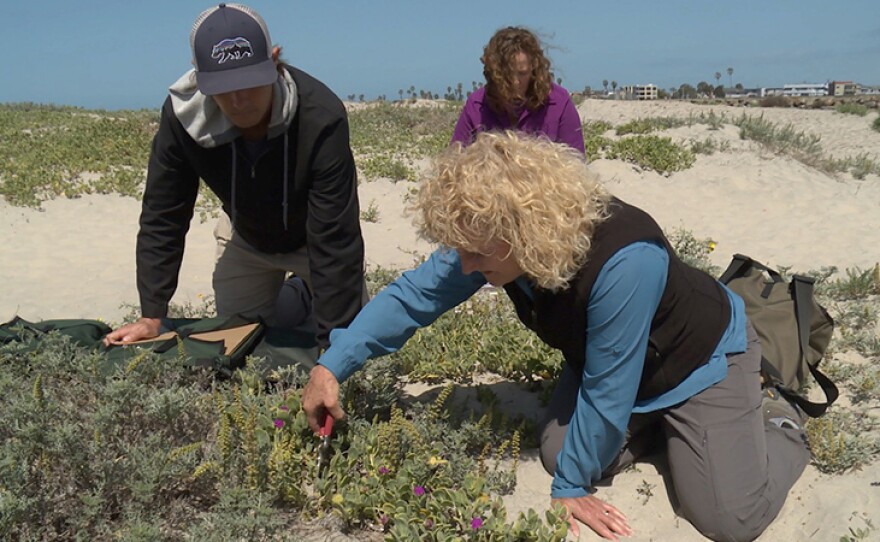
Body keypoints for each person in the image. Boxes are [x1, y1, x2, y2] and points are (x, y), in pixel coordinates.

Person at [302, 131, 810, 541]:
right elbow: (414, 296)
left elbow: (609, 391)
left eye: (476, 254)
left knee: (729, 519)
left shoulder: (625, 259)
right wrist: (332, 365)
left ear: (524, 230)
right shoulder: (485, 237)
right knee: (559, 449)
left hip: (702, 363)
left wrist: (570, 488)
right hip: (617, 368)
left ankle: (782, 426)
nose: (465, 265)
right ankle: (673, 434)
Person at [104, 3, 366, 350]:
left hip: (314, 238)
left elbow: (336, 238)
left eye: (249, 82)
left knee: (350, 341)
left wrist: (334, 354)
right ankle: (300, 295)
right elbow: (163, 214)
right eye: (224, 87)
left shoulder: (321, 115)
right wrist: (152, 314)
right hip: (245, 238)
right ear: (198, 77)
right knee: (242, 342)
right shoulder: (183, 119)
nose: (239, 100)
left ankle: (309, 291)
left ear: (274, 60)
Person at [450, 27, 585, 155]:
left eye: (522, 73)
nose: (515, 82)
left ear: (534, 69)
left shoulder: (559, 102)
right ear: (494, 73)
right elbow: (455, 161)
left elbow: (576, 166)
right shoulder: (476, 105)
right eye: (507, 75)